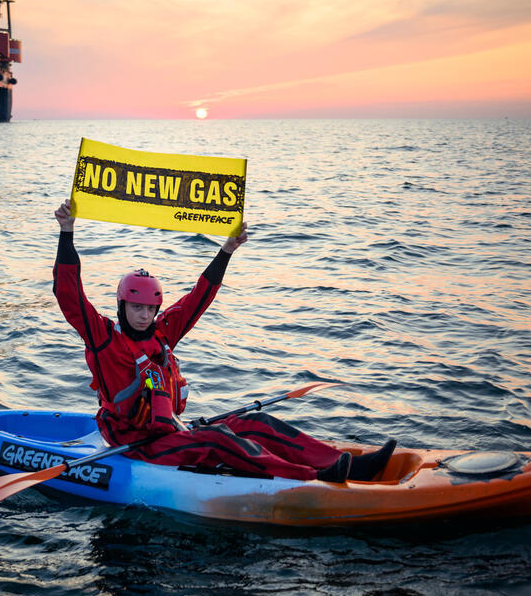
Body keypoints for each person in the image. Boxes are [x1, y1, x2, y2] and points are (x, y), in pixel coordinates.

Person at [52, 200, 396, 483]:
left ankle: (347, 465)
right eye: (136, 308)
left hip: (171, 432)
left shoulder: (163, 333)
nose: (144, 315)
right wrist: (67, 232)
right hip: (137, 446)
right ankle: (313, 478)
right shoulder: (104, 340)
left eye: (150, 309)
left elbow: (198, 297)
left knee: (256, 423)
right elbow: (68, 295)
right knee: (217, 439)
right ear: (122, 306)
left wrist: (227, 250)